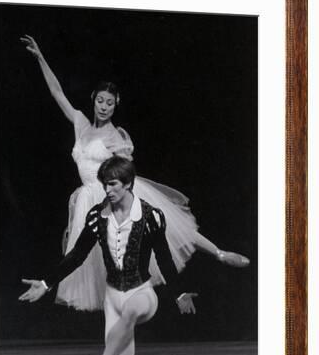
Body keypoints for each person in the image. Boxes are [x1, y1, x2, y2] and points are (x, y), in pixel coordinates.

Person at [19, 35, 249, 312]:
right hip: (86, 196)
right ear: (94, 100)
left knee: (169, 230)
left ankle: (218, 252)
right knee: (87, 258)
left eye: (110, 103)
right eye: (101, 101)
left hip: (112, 192)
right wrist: (40, 57)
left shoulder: (116, 136)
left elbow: (125, 170)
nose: (104, 107)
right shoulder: (80, 123)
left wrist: (120, 179)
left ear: (116, 105)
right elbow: (57, 93)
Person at [20, 157, 199, 355]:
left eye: (113, 184)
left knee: (131, 311)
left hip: (141, 293)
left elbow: (164, 258)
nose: (107, 189)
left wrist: (179, 293)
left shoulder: (151, 217)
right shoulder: (97, 216)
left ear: (128, 184)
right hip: (112, 297)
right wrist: (46, 283)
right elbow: (77, 255)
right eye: (105, 184)